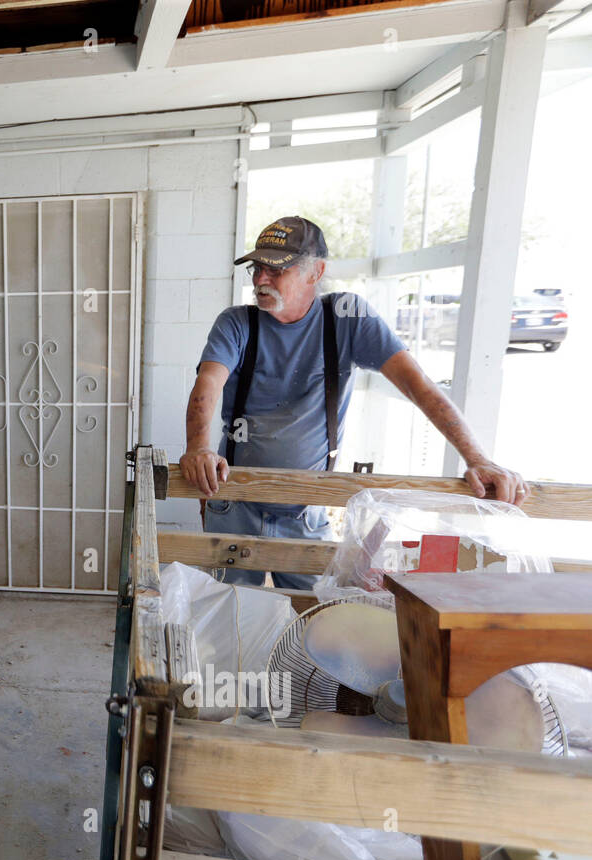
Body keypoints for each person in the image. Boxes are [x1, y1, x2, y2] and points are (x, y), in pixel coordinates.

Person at [180, 215, 528, 589]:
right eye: (257, 268)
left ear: (316, 272)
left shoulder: (346, 318)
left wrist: (477, 459)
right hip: (236, 500)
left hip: (305, 508)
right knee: (227, 611)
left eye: (276, 270)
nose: (261, 280)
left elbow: (418, 386)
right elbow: (209, 383)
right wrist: (198, 448)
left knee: (310, 621)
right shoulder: (237, 323)